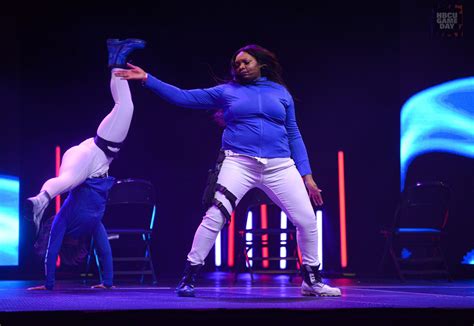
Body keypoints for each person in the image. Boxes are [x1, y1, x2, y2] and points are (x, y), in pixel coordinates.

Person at [115, 44, 341, 297]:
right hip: (239, 163)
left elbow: (294, 134)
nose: (241, 67)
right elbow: (183, 97)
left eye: (246, 62)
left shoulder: (280, 92)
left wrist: (306, 175)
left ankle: (311, 282)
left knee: (308, 221)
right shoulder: (227, 91)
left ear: (261, 64)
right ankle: (189, 276)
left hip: (280, 165)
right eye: (237, 64)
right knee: (215, 217)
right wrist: (147, 79)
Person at [26, 38, 146, 290]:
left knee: (125, 106)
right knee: (123, 106)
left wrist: (48, 284)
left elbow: (52, 249)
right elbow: (104, 251)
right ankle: (117, 56)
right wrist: (108, 283)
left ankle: (42, 198)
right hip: (87, 156)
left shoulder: (65, 219)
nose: (80, 254)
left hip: (94, 156)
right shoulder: (92, 224)